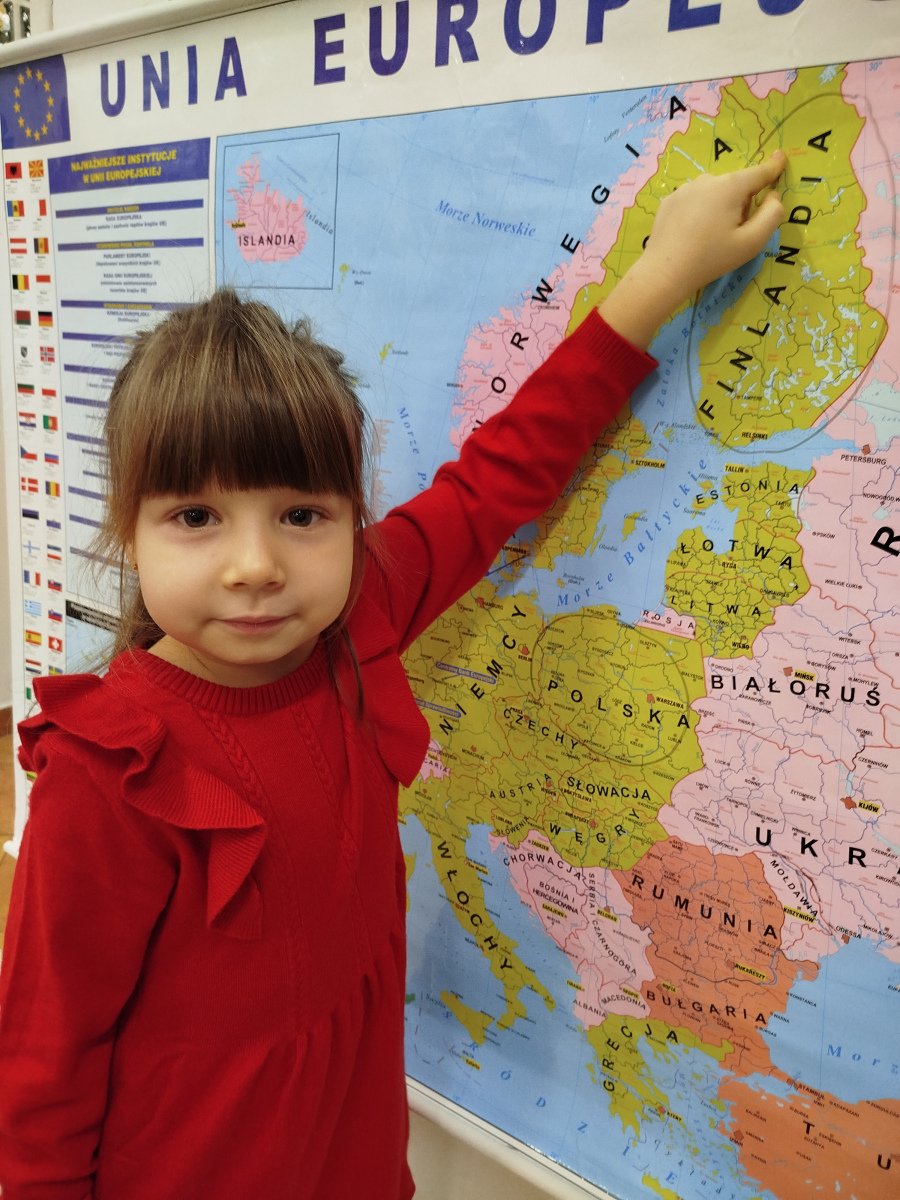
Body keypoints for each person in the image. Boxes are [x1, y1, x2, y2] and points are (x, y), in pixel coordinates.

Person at [0, 153, 785, 1199]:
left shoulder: (360, 613)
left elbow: (500, 475)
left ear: (350, 520)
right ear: (129, 535)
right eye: (196, 517)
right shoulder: (112, 772)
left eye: (302, 515)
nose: (254, 565)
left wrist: (660, 279)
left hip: (355, 1159)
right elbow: (42, 1067)